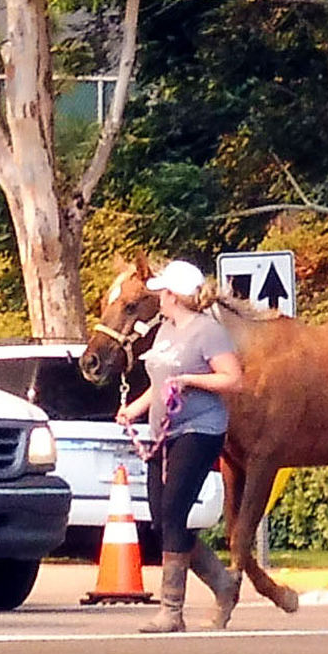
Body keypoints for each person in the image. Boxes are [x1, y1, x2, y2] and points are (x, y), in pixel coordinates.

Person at [114, 261, 244, 634]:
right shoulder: (166, 331)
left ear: (173, 295)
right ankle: (223, 583)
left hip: (199, 430)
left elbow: (233, 379)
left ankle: (172, 609)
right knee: (160, 518)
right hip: (163, 433)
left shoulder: (208, 332)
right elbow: (160, 380)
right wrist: (135, 410)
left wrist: (191, 380)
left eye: (162, 292)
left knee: (173, 511)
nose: (158, 297)